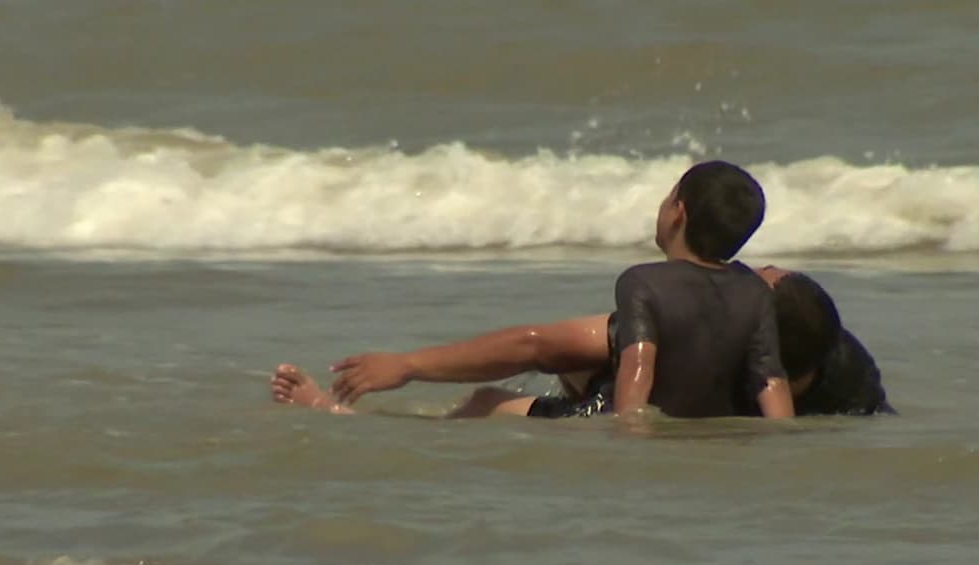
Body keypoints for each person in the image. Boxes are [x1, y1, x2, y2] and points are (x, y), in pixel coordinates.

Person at [271, 266, 893, 419]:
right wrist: (407, 365)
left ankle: (333, 413)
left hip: (657, 405)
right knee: (579, 355)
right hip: (648, 384)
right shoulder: (827, 348)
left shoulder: (851, 388)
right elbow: (538, 345)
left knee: (494, 407)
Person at [606, 160, 791, 418]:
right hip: (717, 425)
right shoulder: (754, 290)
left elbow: (639, 366)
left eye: (669, 197)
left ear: (678, 213)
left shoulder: (641, 282)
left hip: (660, 421)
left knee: (531, 405)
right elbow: (770, 378)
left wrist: (630, 430)